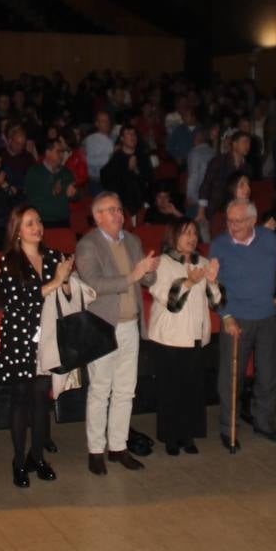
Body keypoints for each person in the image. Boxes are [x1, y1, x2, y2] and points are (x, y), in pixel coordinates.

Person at [74, 191, 159, 473]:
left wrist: (149, 271)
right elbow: (94, 283)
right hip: (102, 325)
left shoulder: (132, 240)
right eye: (112, 210)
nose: (119, 215)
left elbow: (147, 279)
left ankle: (118, 447)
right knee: (100, 390)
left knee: (125, 391)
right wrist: (133, 276)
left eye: (120, 210)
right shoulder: (88, 245)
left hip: (129, 324)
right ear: (98, 216)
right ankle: (96, 450)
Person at [0, 206, 68, 487]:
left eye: (38, 220)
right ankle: (18, 460)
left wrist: (66, 282)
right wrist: (55, 282)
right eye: (29, 223)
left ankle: (36, 456)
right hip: (19, 335)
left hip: (47, 334)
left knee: (42, 399)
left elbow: (64, 294)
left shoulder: (52, 257)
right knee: (20, 399)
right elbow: (19, 300)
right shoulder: (9, 261)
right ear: (17, 230)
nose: (37, 226)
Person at [210, 198, 276, 449]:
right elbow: (213, 287)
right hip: (236, 318)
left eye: (238, 221)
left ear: (253, 220)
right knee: (231, 378)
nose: (232, 226)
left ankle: (264, 424)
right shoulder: (219, 245)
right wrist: (225, 316)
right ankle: (227, 428)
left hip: (267, 316)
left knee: (269, 375)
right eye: (229, 221)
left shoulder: (269, 239)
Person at [149, 218, 223, 455]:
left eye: (194, 233)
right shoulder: (162, 263)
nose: (192, 237)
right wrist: (188, 282)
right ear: (173, 236)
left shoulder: (202, 262)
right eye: (185, 233)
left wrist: (211, 282)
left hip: (195, 337)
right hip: (169, 337)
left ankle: (188, 436)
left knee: (192, 390)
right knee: (171, 390)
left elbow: (217, 303)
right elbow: (170, 302)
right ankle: (171, 437)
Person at [197, 131, 252, 225]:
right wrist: (201, 212)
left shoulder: (247, 167)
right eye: (244, 142)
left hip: (234, 211)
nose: (247, 146)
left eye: (249, 143)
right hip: (215, 209)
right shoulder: (219, 161)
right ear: (234, 144)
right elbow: (206, 185)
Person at [101, 124, 154, 221]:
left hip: (142, 203)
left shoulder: (142, 156)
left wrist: (136, 170)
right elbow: (109, 181)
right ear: (122, 138)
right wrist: (128, 169)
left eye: (134, 134)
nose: (132, 137)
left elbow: (149, 179)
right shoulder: (116, 158)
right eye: (128, 134)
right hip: (123, 205)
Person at [24, 136, 78, 228]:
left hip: (63, 221)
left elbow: (76, 196)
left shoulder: (66, 172)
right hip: (41, 221)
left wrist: (73, 194)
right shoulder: (34, 172)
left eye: (63, 152)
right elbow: (30, 196)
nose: (61, 155)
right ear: (48, 152)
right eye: (58, 151)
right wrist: (52, 191)